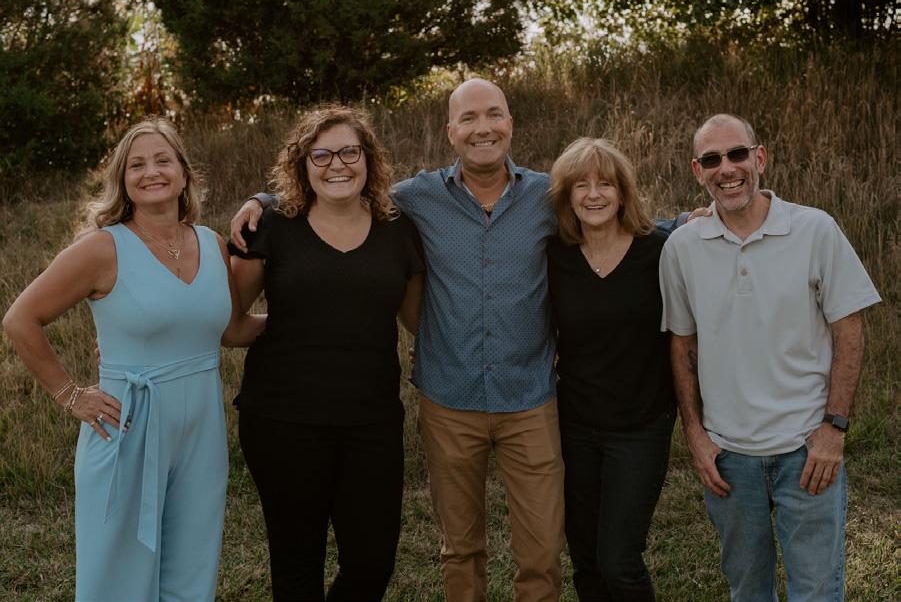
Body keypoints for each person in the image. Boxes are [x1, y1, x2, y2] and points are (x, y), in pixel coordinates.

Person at [231, 79, 689, 602]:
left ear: (510, 123)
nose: (482, 128)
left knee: (541, 552)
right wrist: (262, 200)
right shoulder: (414, 200)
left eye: (493, 114)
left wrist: (688, 222)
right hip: (448, 398)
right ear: (450, 131)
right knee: (461, 550)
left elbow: (609, 215)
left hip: (529, 398)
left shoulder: (547, 196)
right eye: (468, 118)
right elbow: (337, 189)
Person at [2, 117, 264, 602]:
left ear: (184, 175)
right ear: (123, 181)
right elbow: (20, 320)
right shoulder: (103, 248)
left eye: (163, 160)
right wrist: (70, 395)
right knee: (118, 581)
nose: (151, 172)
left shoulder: (212, 244)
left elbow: (232, 331)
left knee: (192, 570)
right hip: (126, 425)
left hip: (202, 428)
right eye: (136, 165)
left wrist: (303, 319)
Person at [659, 114, 881, 601]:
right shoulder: (681, 248)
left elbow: (849, 331)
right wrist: (695, 435)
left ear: (759, 158)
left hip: (807, 449)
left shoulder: (815, 229)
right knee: (748, 592)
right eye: (712, 160)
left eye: (737, 154)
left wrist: (834, 429)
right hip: (728, 458)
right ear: (698, 171)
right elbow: (682, 344)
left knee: (817, 592)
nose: (727, 169)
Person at [228, 105, 424, 602]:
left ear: (368, 159)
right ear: (303, 164)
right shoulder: (272, 225)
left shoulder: (398, 229)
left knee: (372, 562)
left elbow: (419, 322)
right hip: (281, 421)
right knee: (298, 564)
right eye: (321, 155)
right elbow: (229, 324)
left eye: (349, 152)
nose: (337, 164)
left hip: (371, 421)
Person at [547, 138, 676, 601]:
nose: (593, 195)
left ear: (623, 193)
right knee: (585, 559)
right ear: (567, 197)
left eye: (605, 184)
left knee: (619, 562)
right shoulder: (554, 255)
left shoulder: (660, 251)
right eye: (580, 185)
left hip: (641, 426)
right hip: (575, 425)